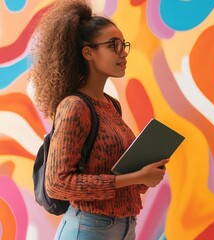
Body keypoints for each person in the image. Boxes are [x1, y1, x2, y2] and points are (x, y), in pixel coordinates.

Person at [29, 0, 168, 239]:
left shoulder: (110, 105)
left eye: (123, 45)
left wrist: (145, 176)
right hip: (88, 228)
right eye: (113, 45)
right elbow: (58, 184)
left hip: (124, 227)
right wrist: (134, 177)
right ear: (88, 52)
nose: (122, 52)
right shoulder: (74, 107)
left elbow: (116, 176)